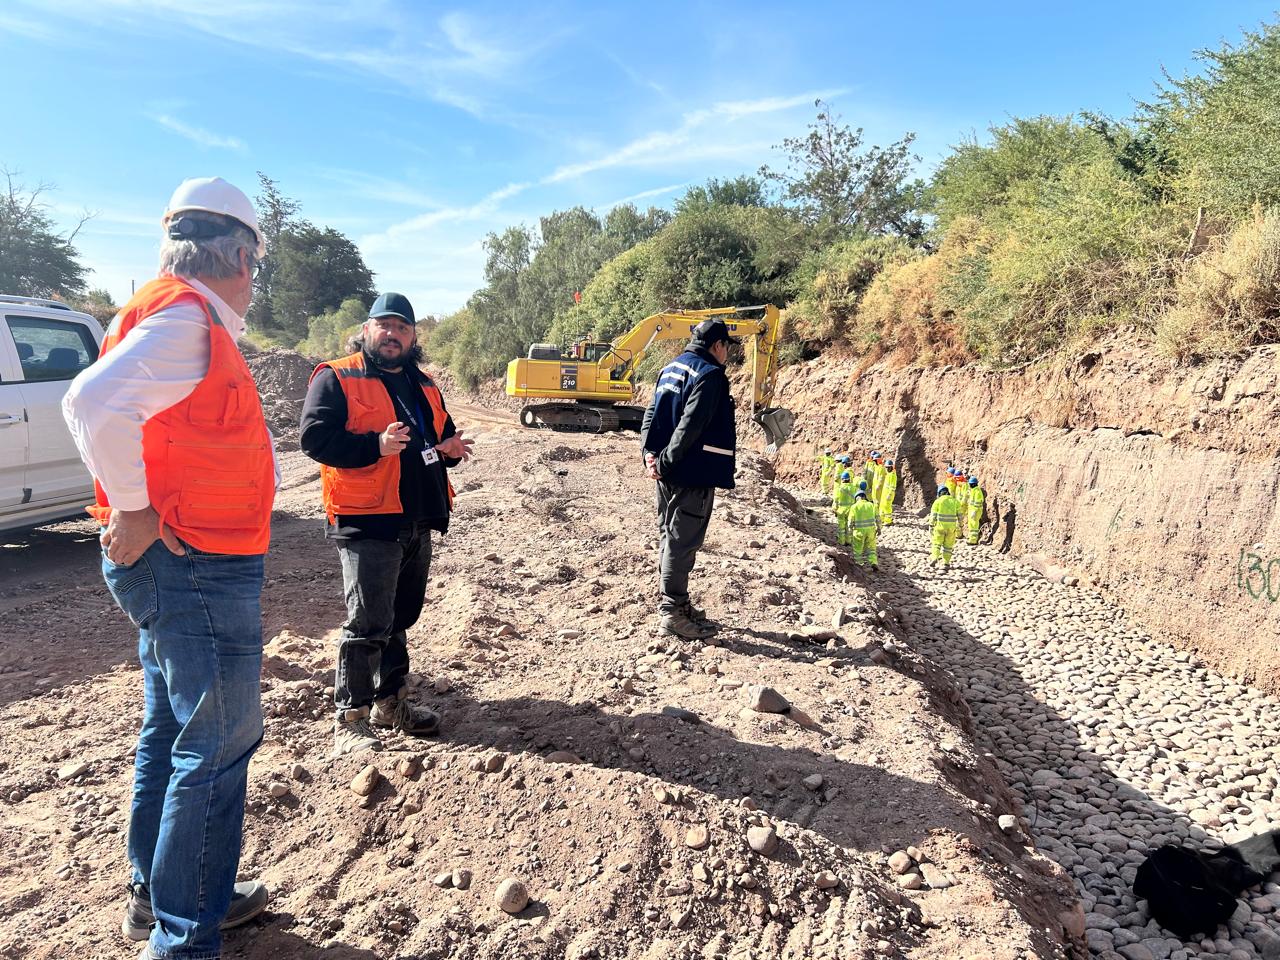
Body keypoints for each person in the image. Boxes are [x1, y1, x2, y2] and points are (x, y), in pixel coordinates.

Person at [61, 177, 275, 958]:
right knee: (215, 746)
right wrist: (133, 507)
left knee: (174, 731)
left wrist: (138, 509)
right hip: (198, 568)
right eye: (255, 267)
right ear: (242, 259)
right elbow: (92, 404)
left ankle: (159, 901)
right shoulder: (188, 322)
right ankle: (184, 938)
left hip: (182, 565)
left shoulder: (169, 314)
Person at [300, 292, 474, 756]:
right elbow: (314, 439)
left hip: (416, 517)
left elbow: (439, 440)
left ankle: (390, 703)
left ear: (413, 337)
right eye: (385, 325)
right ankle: (350, 718)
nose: (393, 334)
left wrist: (451, 451)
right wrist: (374, 446)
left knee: (398, 617)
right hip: (367, 520)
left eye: (402, 328)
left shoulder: (424, 384)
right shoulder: (337, 376)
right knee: (368, 621)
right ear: (367, 330)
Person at [640, 318, 736, 640]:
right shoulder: (709, 375)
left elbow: (650, 415)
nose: (727, 355)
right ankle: (672, 613)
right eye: (727, 348)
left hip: (666, 471)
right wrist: (664, 462)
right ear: (718, 345)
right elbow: (690, 427)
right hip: (690, 473)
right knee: (682, 542)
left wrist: (650, 456)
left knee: (669, 537)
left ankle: (678, 605)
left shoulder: (670, 368)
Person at [930, 484, 962, 571]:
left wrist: (931, 525)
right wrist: (961, 525)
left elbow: (933, 515)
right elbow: (960, 515)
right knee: (948, 547)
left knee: (936, 544)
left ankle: (934, 557)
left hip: (939, 528)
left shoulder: (937, 502)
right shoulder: (955, 501)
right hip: (951, 528)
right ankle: (946, 563)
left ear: (939, 493)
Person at [850, 489, 879, 570]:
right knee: (871, 548)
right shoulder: (872, 505)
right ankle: (873, 562)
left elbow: (850, 520)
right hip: (871, 531)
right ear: (865, 497)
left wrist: (850, 530)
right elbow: (878, 518)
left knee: (858, 549)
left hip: (858, 532)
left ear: (857, 498)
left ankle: (859, 564)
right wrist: (879, 528)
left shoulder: (854, 507)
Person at [832, 469, 857, 546]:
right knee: (849, 526)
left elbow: (836, 500)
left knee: (841, 528)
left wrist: (834, 510)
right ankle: (849, 541)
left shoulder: (839, 489)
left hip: (841, 511)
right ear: (849, 479)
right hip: (851, 510)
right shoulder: (854, 488)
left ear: (842, 479)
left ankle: (842, 542)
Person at [966, 474, 986, 545]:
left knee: (974, 525)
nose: (969, 485)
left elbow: (978, 502)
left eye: (970, 484)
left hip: (976, 511)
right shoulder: (973, 490)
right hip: (972, 510)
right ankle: (971, 538)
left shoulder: (977, 491)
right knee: (971, 525)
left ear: (973, 484)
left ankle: (973, 540)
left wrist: (974, 511)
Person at [879, 458, 898, 526]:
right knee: (882, 506)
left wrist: (889, 495)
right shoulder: (888, 474)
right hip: (885, 493)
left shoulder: (892, 475)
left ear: (891, 467)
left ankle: (888, 520)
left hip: (889, 494)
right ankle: (882, 519)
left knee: (887, 507)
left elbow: (892, 487)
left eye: (888, 467)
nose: (887, 469)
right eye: (886, 467)